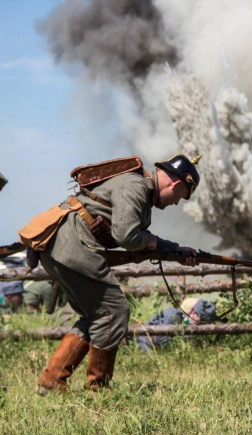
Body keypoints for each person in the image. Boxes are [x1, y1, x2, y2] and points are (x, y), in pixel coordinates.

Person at [33, 154, 201, 394]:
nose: (176, 203)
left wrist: (176, 250)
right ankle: (98, 389)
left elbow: (142, 239)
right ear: (175, 184)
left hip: (62, 249)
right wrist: (151, 241)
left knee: (96, 316)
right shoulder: (134, 186)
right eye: (180, 196)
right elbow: (127, 236)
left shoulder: (139, 189)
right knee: (114, 311)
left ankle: (52, 381)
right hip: (73, 248)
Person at [137, 297, 217, 352]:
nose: (201, 325)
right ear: (193, 313)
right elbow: (158, 339)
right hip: (146, 340)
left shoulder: (185, 320)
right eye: (201, 320)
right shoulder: (173, 316)